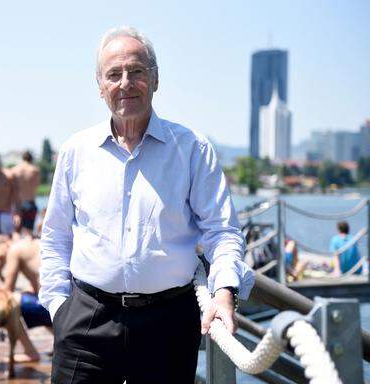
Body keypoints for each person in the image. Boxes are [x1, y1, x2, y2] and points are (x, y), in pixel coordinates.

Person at [40, 27, 254, 383]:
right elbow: (55, 236)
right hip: (86, 320)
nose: (126, 83)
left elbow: (223, 231)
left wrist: (224, 292)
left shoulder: (192, 149)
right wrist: (58, 306)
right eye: (114, 74)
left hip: (168, 323)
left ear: (155, 79)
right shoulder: (76, 151)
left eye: (136, 71)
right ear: (100, 86)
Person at [0, 235, 50, 363]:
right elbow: (37, 286)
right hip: (64, 305)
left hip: (53, 307)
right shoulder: (28, 245)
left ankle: (30, 352)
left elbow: (5, 292)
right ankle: (59, 341)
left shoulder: (14, 250)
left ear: (6, 243)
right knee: (22, 297)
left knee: (8, 303)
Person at [9, 151, 41, 235]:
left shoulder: (14, 170)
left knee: (16, 232)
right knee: (28, 233)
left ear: (22, 158)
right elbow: (36, 186)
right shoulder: (35, 171)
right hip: (30, 203)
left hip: (17, 204)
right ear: (31, 159)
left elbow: (10, 188)